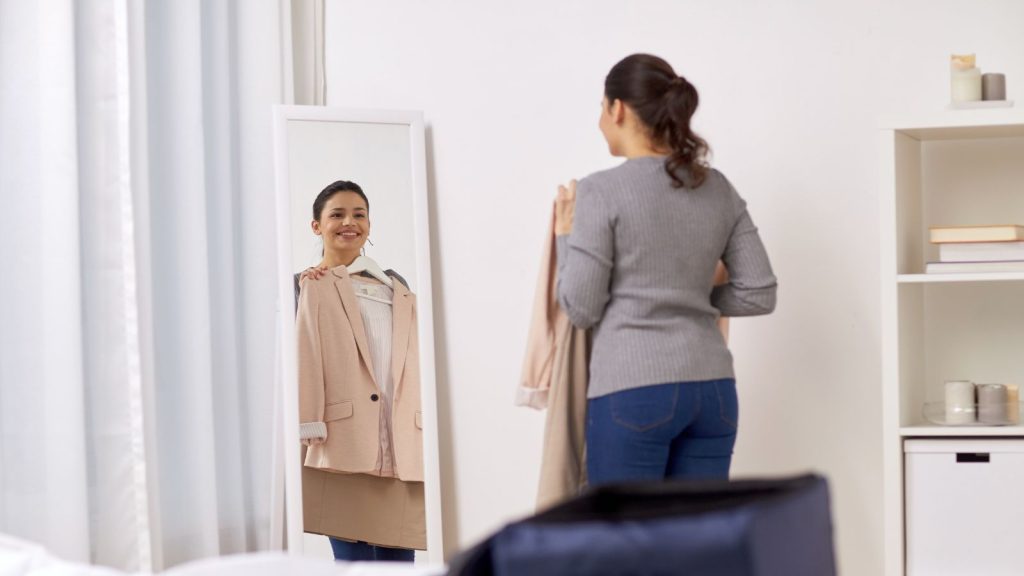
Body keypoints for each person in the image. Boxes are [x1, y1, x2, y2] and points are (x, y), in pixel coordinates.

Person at [554, 53, 777, 487]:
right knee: (693, 543)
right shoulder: (718, 188)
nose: (601, 120)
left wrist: (566, 234)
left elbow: (580, 308)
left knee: (623, 544)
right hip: (712, 390)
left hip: (632, 391)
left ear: (617, 109)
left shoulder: (602, 190)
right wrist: (687, 296)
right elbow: (758, 292)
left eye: (602, 108)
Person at [296, 180, 422, 562]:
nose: (349, 222)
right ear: (316, 225)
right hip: (340, 442)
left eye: (359, 214)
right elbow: (299, 362)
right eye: (337, 214)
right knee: (354, 563)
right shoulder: (302, 285)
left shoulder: (396, 287)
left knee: (401, 564)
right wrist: (307, 424)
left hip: (399, 443)